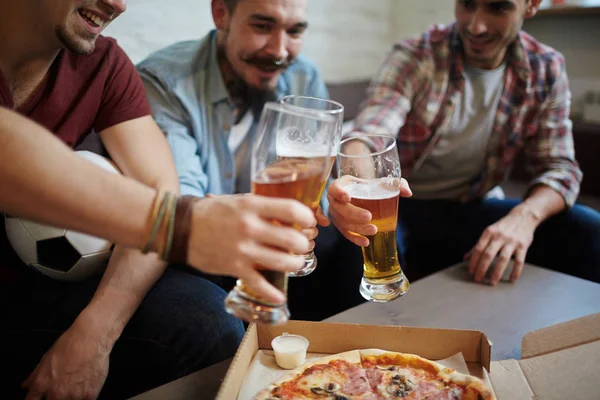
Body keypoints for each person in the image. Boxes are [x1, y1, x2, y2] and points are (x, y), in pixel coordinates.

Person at [0, 1, 316, 398]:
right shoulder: (169, 76)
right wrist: (183, 224)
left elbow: (161, 186)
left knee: (205, 318)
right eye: (262, 25)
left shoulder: (104, 63)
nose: (118, 3)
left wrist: (95, 333)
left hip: (52, 283)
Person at [328, 0, 600, 286]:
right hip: (403, 207)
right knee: (357, 244)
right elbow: (367, 137)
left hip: (471, 206)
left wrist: (524, 217)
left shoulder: (545, 67)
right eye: (467, 4)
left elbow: (559, 168)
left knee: (588, 231)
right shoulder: (415, 55)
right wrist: (359, 191)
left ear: (531, 5)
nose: (475, 26)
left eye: (498, 8)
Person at [137, 0, 365, 321]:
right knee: (206, 305)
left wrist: (338, 203)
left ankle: (341, 361)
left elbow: (315, 193)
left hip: (278, 239)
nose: (279, 51)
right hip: (202, 248)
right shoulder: (164, 81)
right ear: (221, 14)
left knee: (357, 244)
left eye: (295, 31)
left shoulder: (304, 77)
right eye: (262, 26)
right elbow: (179, 202)